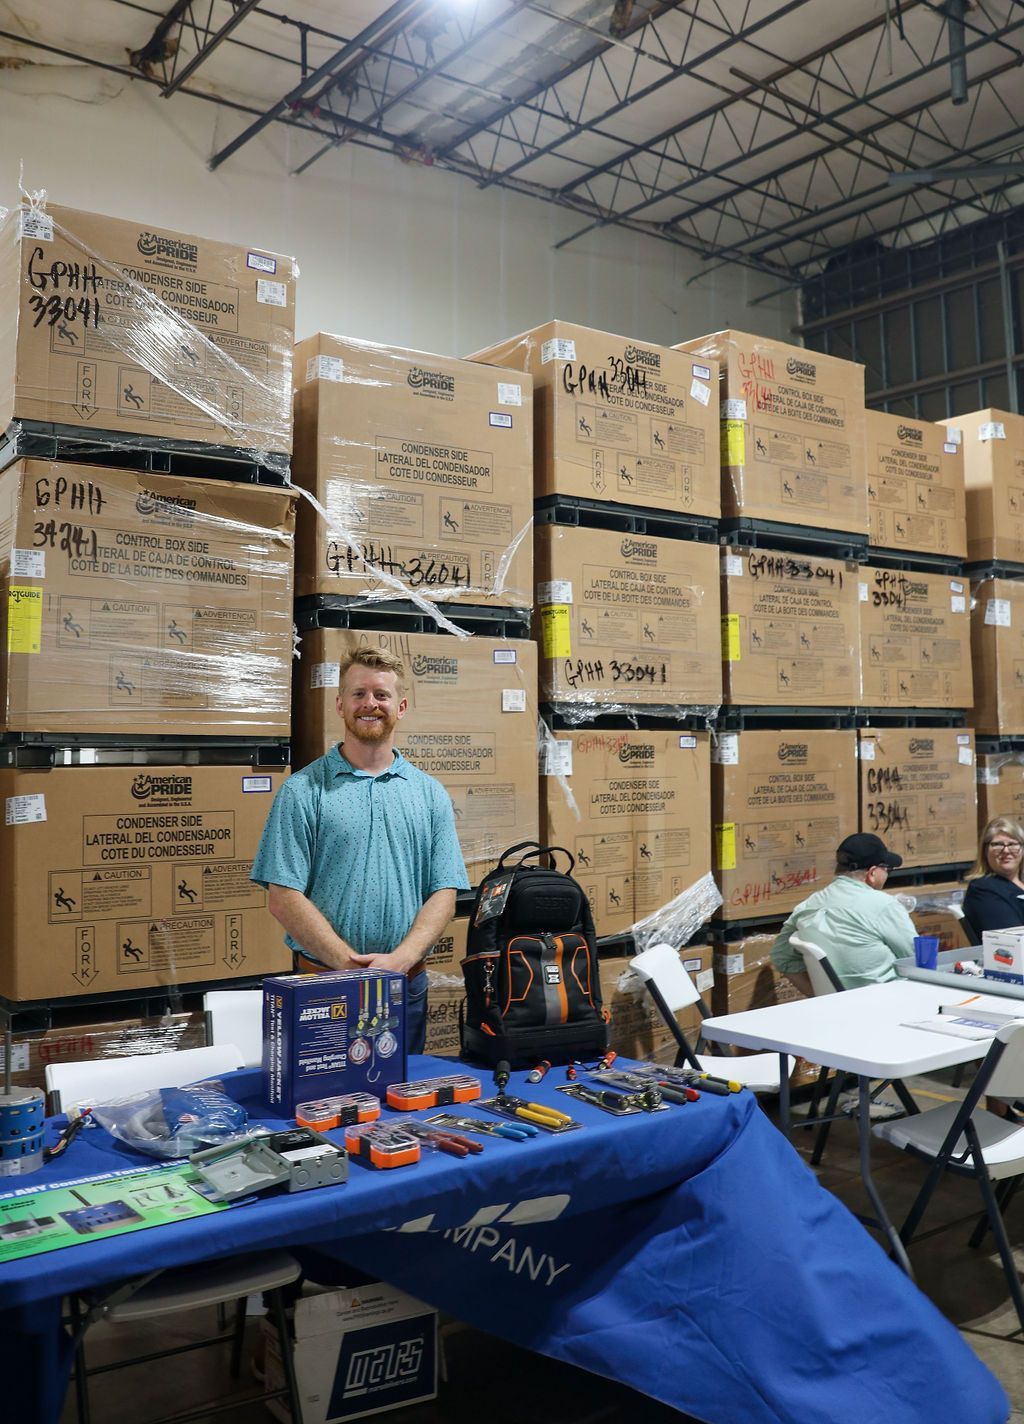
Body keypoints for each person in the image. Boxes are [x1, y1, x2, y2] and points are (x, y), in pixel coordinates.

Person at [251, 645, 469, 1053]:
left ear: (400, 706)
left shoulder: (428, 794)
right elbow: (282, 896)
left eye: (382, 695)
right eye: (359, 694)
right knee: (322, 1110)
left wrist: (401, 960)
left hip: (406, 987)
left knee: (400, 1111)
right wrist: (350, 967)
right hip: (323, 988)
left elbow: (445, 892)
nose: (371, 704)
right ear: (339, 704)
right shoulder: (303, 791)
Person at [770, 832, 915, 994]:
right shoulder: (885, 905)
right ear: (872, 873)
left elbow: (780, 958)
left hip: (839, 1008)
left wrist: (821, 998)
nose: (888, 874)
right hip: (889, 1003)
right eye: (887, 869)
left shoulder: (807, 906)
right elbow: (918, 960)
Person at [962, 817, 1024, 935]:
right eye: (998, 845)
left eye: (1013, 844)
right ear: (985, 851)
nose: (1006, 850)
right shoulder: (983, 889)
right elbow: (1012, 938)